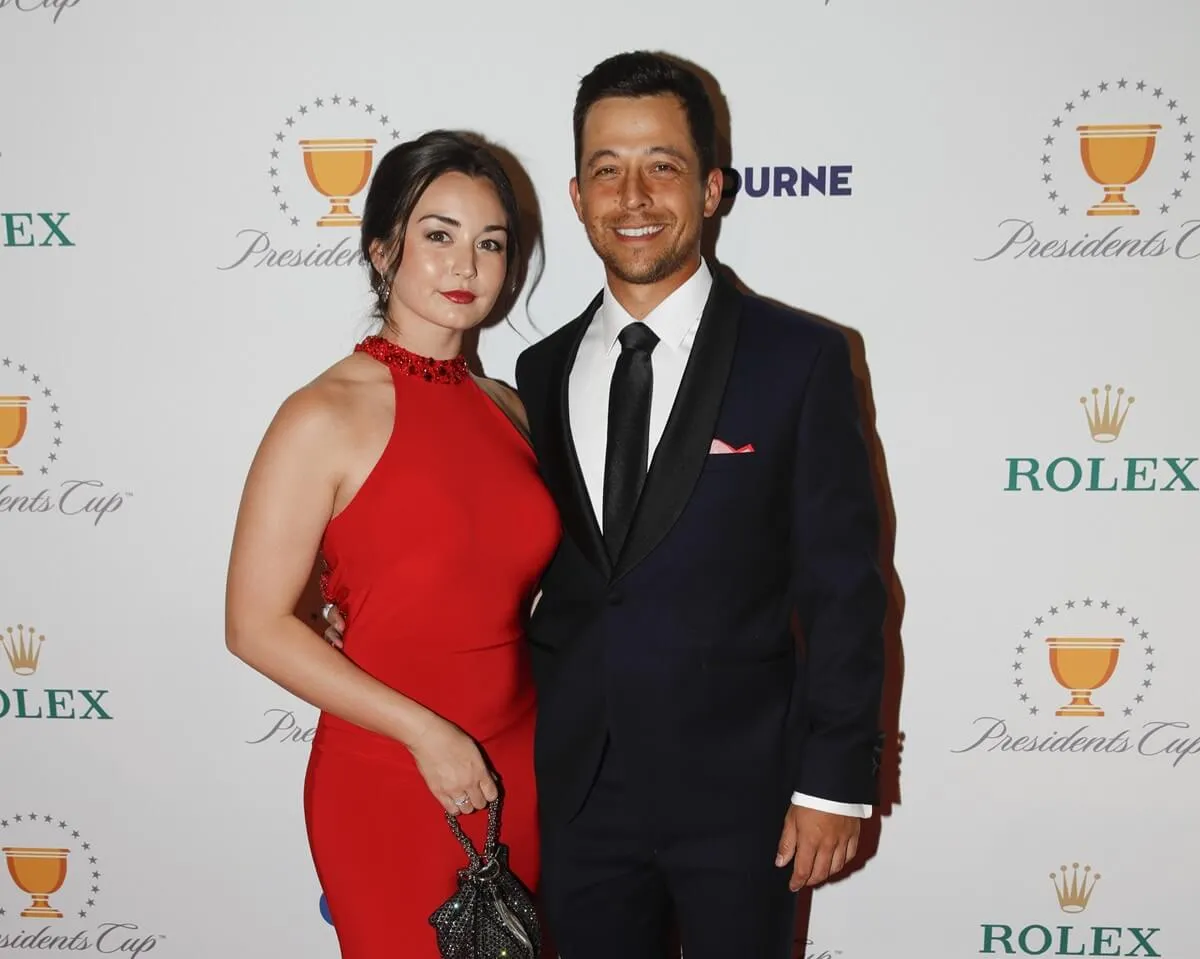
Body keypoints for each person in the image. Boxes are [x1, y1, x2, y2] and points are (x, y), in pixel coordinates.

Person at [325, 52, 887, 958]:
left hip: (744, 798)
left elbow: (845, 586)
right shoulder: (537, 374)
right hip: (569, 794)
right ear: (577, 196)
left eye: (662, 165)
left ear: (711, 188)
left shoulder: (800, 359)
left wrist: (834, 781)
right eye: (607, 170)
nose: (633, 196)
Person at [224, 130, 559, 959]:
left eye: (490, 243)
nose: (466, 265)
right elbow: (253, 625)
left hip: (520, 766)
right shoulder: (324, 413)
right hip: (389, 773)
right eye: (438, 235)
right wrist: (426, 733)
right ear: (382, 250)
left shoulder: (511, 410)